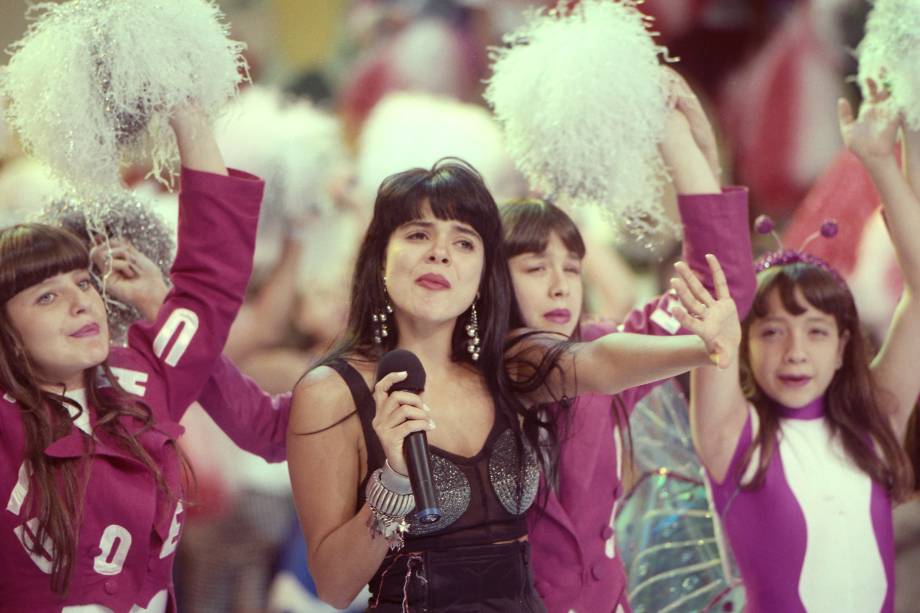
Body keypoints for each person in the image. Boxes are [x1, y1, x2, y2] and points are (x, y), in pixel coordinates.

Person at [286, 155, 739, 612]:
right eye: (418, 234)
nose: (439, 252)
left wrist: (703, 349)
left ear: (484, 272)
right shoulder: (331, 392)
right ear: (380, 257)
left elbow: (599, 362)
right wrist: (396, 482)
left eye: (463, 242)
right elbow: (333, 585)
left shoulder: (504, 364)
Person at [501, 75, 756, 613]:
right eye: (534, 267)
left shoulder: (600, 341)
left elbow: (717, 293)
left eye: (572, 268)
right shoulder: (473, 365)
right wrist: (700, 347)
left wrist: (681, 144)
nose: (559, 285)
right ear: (493, 282)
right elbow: (602, 365)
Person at [0, 105, 265, 612]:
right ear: (7, 333)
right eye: (46, 297)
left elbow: (210, 282)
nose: (81, 301)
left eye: (83, 282)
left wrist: (189, 116)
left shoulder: (140, 379)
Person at [670, 82, 918, 613]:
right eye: (772, 331)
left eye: (816, 331)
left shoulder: (873, 424)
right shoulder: (735, 437)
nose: (795, 351)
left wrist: (879, 160)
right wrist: (683, 143)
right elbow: (718, 284)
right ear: (742, 344)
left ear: (843, 344)